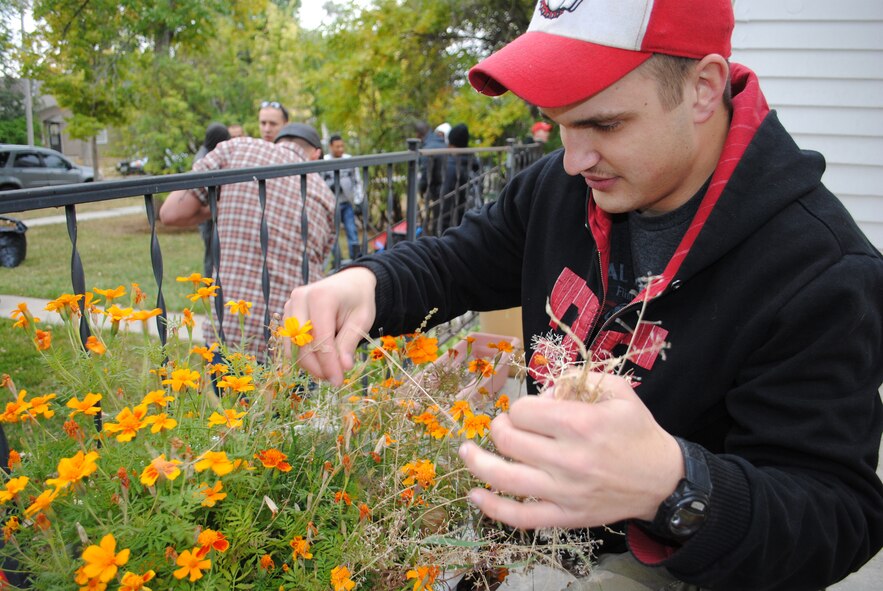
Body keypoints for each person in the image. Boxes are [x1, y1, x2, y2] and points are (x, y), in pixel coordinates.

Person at [284, 1, 883, 589]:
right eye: (562, 122)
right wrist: (368, 282)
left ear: (703, 88)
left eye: (604, 124)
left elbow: (836, 515)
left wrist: (674, 485)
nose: (574, 161)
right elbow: (460, 259)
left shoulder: (822, 270)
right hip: (534, 536)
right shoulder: (560, 188)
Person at [160, 123, 336, 362]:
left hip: (230, 333)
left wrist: (220, 205)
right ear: (316, 153)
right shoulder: (326, 194)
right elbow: (321, 261)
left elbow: (171, 213)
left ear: (278, 140)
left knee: (230, 398)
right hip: (293, 342)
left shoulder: (236, 149)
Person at [194, 122, 232, 279]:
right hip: (208, 216)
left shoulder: (208, 153)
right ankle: (210, 282)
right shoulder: (204, 158)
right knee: (211, 251)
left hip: (214, 213)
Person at [323, 134, 365, 262]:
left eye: (342, 146)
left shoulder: (349, 160)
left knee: (352, 231)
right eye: (337, 147)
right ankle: (337, 261)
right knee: (333, 234)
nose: (340, 149)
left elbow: (357, 181)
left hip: (347, 203)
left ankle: (356, 258)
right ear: (330, 147)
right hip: (332, 204)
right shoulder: (324, 161)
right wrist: (330, 186)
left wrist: (358, 201)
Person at [439, 123, 481, 229]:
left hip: (456, 224)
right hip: (474, 217)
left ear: (452, 144)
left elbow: (446, 201)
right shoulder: (474, 162)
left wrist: (443, 227)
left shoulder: (452, 167)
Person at [415, 120, 447, 236]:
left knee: (437, 222)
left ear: (419, 134)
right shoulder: (441, 142)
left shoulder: (427, 148)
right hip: (447, 186)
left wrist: (421, 189)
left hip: (437, 189)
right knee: (443, 220)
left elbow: (425, 172)